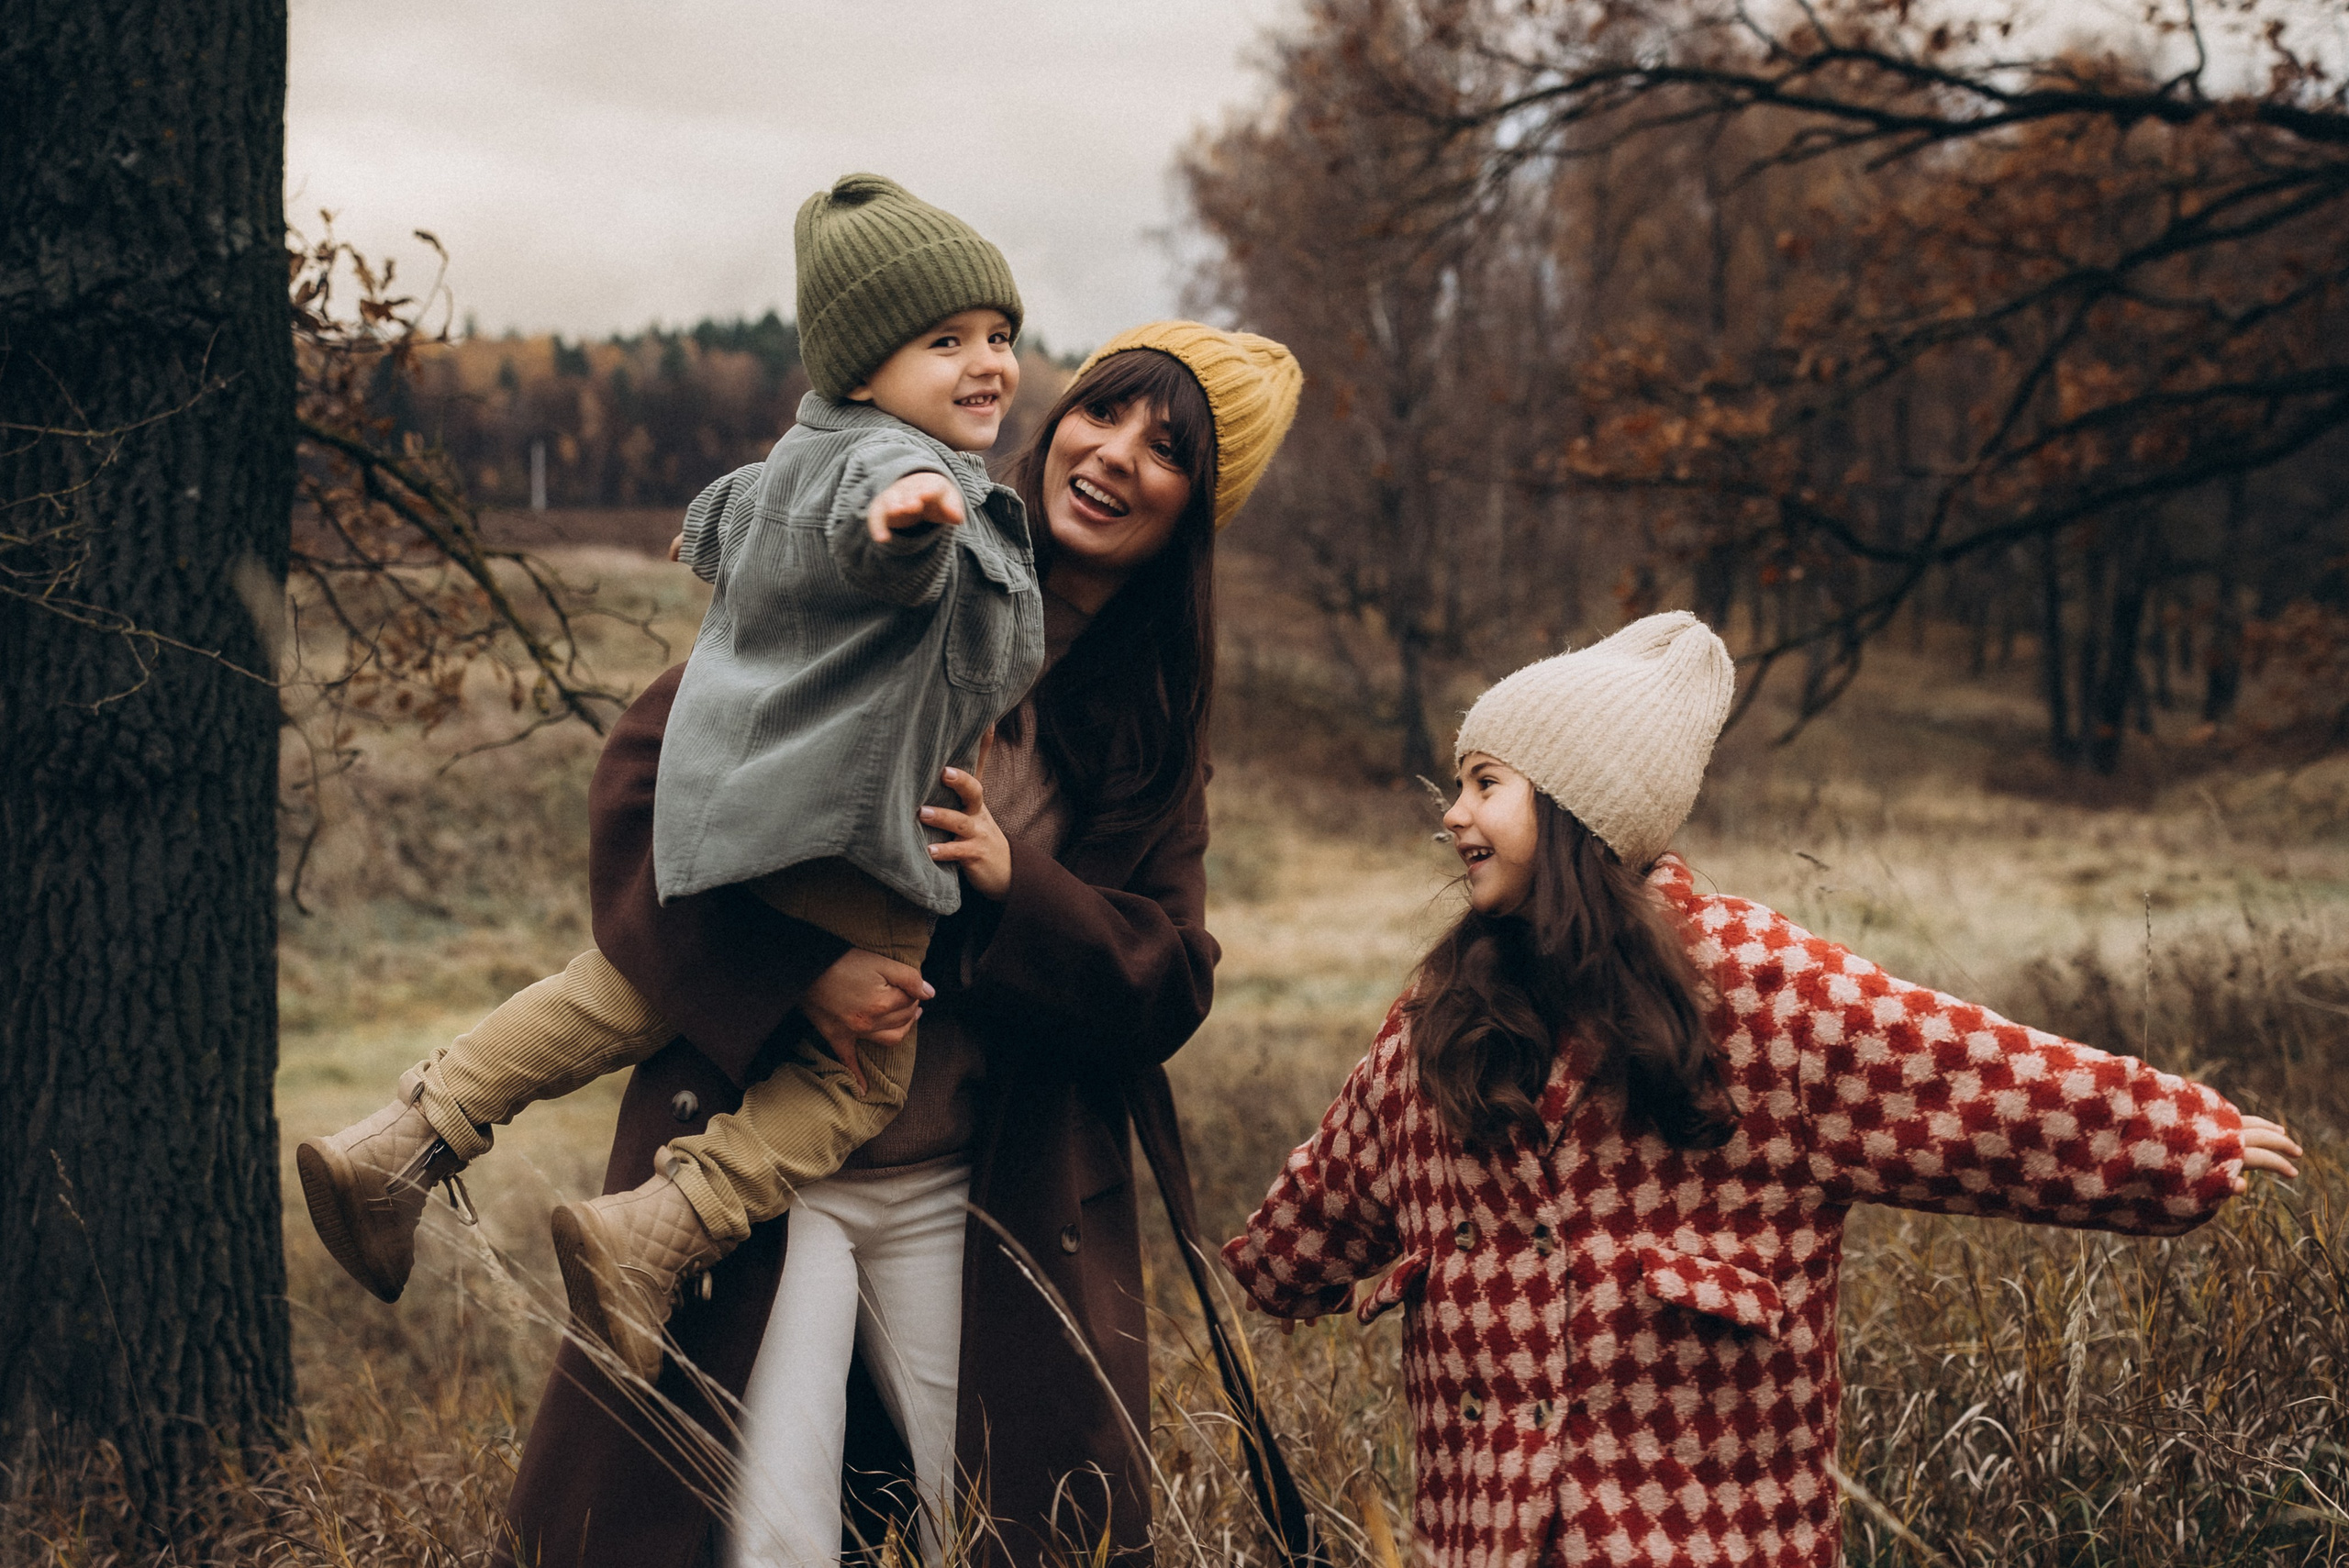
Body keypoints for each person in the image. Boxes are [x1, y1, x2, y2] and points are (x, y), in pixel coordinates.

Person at [1221, 612, 2302, 1568]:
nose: (1453, 814)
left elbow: (1961, 1077)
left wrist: (2172, 1134)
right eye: (1457, 785)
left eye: (1484, 782)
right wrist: (1249, 1261)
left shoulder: (1755, 989)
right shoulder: (1439, 1019)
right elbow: (1306, 1227)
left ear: (1579, 802)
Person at [495, 320, 1304, 1568]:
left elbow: (1168, 983)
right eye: (1103, 411)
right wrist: (800, 975)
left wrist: (1016, 888)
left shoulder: (1149, 715)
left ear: (1199, 508)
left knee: (1026, 1536)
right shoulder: (916, 560)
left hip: (980, 1185)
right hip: (770, 1173)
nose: (1115, 454)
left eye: (1169, 449)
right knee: (772, 1536)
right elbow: (649, 789)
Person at [296, 172, 1038, 1381]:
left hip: (730, 824)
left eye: (999, 334)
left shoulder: (791, 460)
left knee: (621, 987)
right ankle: (663, 1224)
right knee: (861, 1074)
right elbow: (881, 545)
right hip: (848, 841)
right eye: (945, 341)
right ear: (863, 370)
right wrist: (907, 519)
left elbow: (744, 536)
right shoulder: (894, 472)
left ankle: (407, 1135)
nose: (988, 362)